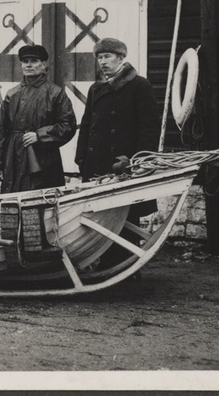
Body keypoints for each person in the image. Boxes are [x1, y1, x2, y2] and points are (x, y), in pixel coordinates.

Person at [75, 37, 161, 269]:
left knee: (124, 216)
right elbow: (87, 125)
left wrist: (138, 161)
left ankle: (124, 266)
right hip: (97, 165)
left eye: (107, 56)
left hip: (122, 166)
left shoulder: (139, 86)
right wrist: (81, 157)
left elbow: (149, 127)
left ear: (121, 58)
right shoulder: (96, 88)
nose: (102, 62)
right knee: (98, 216)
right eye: (99, 57)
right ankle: (100, 261)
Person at [0, 45, 77, 193]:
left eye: (34, 61)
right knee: (13, 203)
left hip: (44, 159)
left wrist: (40, 135)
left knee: (42, 202)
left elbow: (68, 125)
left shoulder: (55, 93)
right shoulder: (12, 94)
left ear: (43, 65)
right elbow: (0, 130)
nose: (29, 65)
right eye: (25, 61)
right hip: (13, 158)